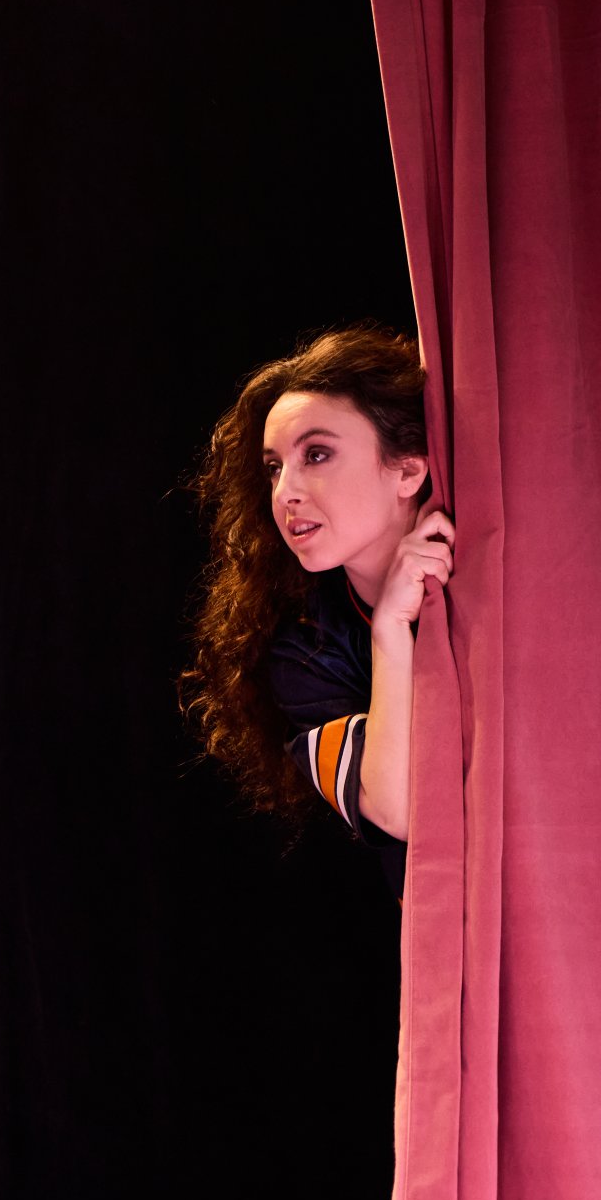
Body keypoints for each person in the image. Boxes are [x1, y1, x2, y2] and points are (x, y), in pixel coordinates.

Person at [180, 322, 455, 900]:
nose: (285, 492)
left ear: (408, 469)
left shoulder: (496, 579)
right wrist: (390, 631)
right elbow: (398, 813)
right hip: (459, 927)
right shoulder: (307, 649)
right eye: (274, 467)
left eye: (317, 454)